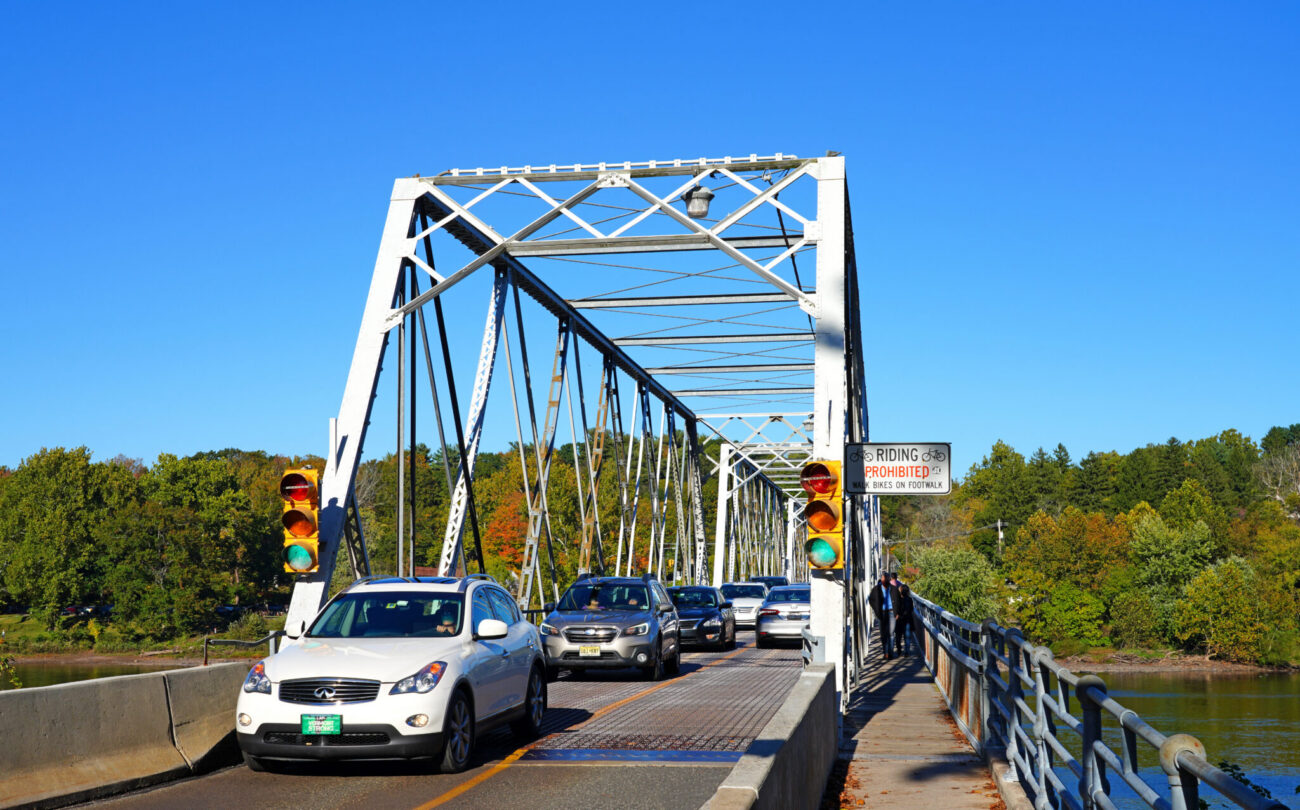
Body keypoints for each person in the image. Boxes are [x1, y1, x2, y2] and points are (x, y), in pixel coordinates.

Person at [868, 571, 897, 660]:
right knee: (883, 634)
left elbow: (898, 600)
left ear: (889, 579)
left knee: (891, 633)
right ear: (882, 579)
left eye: (887, 578)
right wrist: (876, 610)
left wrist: (897, 612)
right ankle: (885, 652)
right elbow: (871, 599)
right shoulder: (876, 589)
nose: (886, 579)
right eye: (884, 578)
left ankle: (890, 652)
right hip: (882, 613)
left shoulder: (893, 589)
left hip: (892, 613)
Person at [892, 576, 914, 656]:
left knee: (898, 636)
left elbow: (895, 609)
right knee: (907, 637)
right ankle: (907, 651)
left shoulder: (898, 599)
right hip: (907, 620)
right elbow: (911, 610)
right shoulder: (910, 599)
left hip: (899, 620)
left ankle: (899, 650)